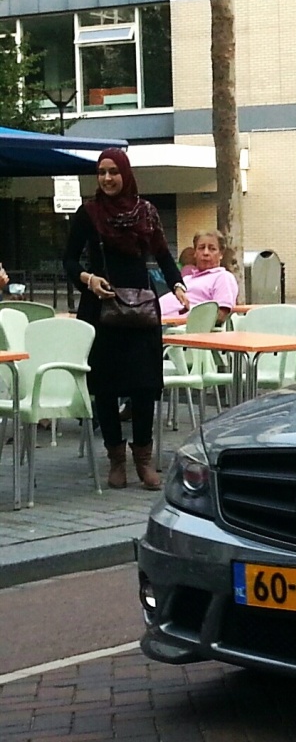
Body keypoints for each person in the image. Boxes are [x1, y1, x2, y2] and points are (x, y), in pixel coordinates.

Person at [64, 148, 188, 492]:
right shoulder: (89, 213)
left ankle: (143, 461)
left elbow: (163, 254)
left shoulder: (146, 212)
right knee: (105, 386)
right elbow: (70, 260)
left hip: (143, 310)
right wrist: (88, 280)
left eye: (113, 172)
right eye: (101, 172)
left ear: (126, 174)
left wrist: (178, 283)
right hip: (100, 309)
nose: (107, 178)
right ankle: (116, 460)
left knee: (144, 386)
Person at [160, 230, 238, 326]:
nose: (205, 252)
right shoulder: (186, 279)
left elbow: (221, 314)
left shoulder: (223, 277)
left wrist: (185, 324)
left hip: (178, 330)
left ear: (221, 254)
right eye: (201, 248)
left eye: (212, 249)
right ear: (195, 253)